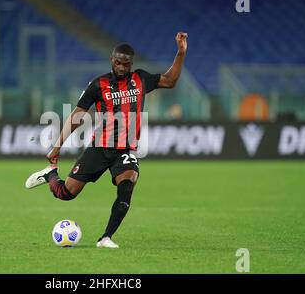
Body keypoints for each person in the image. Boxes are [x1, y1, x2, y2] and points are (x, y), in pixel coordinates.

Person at [26, 32, 188, 248]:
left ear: (131, 63)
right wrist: (57, 146)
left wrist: (180, 52)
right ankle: (50, 175)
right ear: (112, 60)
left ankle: (106, 237)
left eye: (127, 64)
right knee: (66, 194)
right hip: (99, 148)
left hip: (125, 150)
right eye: (119, 63)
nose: (122, 67)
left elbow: (170, 80)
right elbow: (77, 115)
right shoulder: (98, 84)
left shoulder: (140, 79)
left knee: (127, 186)